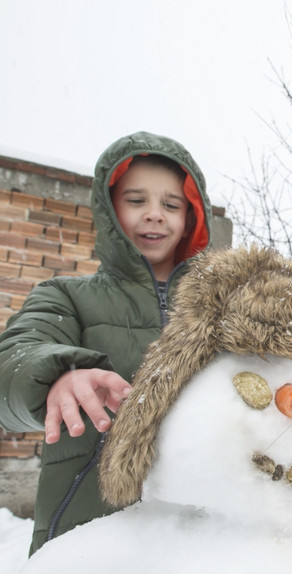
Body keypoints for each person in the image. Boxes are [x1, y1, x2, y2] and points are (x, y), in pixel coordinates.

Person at [0, 131, 212, 554]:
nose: (154, 214)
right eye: (136, 201)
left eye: (171, 204)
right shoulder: (65, 297)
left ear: (191, 218)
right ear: (109, 209)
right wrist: (58, 375)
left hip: (205, 543)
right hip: (89, 540)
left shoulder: (224, 309)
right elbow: (14, 361)